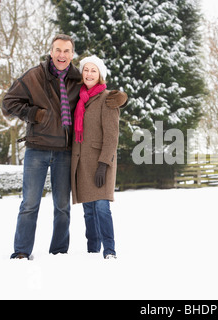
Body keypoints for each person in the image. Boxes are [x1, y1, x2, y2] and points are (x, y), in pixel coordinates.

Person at [2, 34, 82, 260]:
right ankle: (21, 251)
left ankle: (59, 251)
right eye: (58, 50)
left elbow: (96, 95)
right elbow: (8, 102)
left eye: (66, 51)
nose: (62, 55)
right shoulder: (35, 75)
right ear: (51, 52)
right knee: (29, 203)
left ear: (72, 54)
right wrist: (33, 114)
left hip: (65, 151)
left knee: (63, 206)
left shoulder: (77, 79)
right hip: (37, 148)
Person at [71, 55, 127, 259]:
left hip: (101, 162)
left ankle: (109, 250)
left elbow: (112, 136)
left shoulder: (107, 99)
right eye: (86, 70)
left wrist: (103, 164)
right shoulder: (78, 98)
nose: (89, 74)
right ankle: (92, 250)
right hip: (81, 163)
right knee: (88, 210)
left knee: (102, 207)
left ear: (100, 75)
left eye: (93, 70)